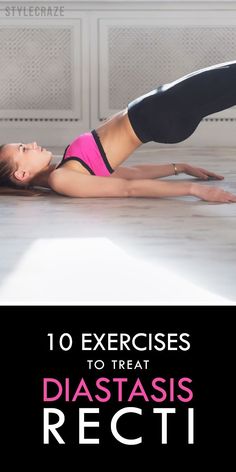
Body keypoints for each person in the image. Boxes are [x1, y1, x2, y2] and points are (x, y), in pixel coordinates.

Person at [0, 60, 236, 202]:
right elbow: (127, 189)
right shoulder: (61, 178)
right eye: (23, 149)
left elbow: (129, 174)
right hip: (160, 112)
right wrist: (194, 190)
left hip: (159, 112)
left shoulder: (66, 170)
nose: (30, 144)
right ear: (21, 175)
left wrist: (179, 168)